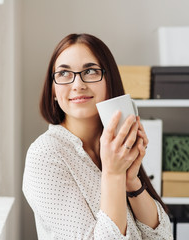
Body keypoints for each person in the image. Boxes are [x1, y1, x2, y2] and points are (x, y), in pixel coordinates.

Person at [22, 33, 173, 239]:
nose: (77, 84)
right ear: (53, 91)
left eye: (91, 71)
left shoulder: (116, 150)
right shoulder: (45, 155)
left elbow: (163, 235)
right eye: (64, 73)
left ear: (109, 80)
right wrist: (113, 174)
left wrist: (131, 181)